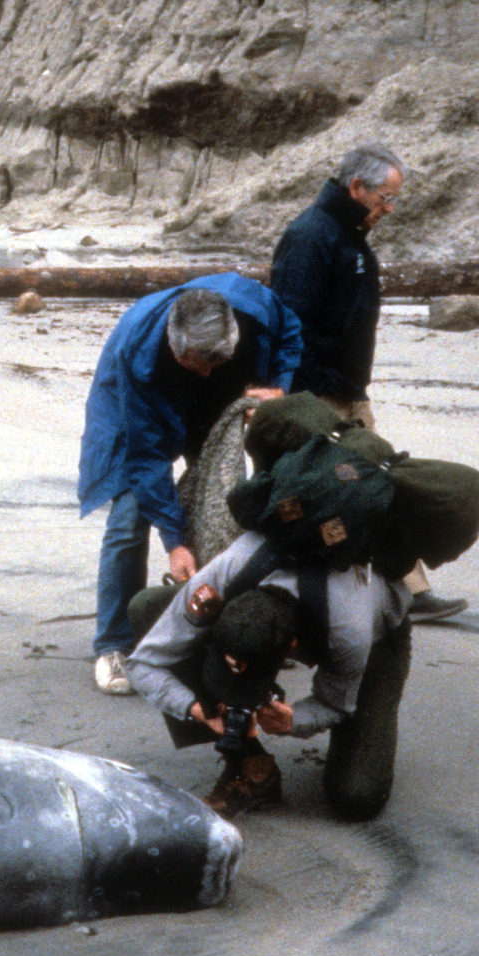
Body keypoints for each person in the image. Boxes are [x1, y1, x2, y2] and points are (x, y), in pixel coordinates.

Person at [271, 141, 469, 623]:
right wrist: (306, 398)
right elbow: (291, 323)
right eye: (384, 197)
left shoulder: (349, 236)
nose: (389, 208)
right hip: (318, 395)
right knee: (337, 493)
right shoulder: (311, 236)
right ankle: (289, 594)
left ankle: (409, 586)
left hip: (348, 391)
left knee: (381, 484)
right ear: (356, 187)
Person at [78, 273, 302, 695]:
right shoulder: (137, 349)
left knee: (227, 506)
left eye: (213, 362)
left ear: (233, 337)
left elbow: (290, 332)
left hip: (218, 407)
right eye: (194, 362)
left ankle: (225, 627)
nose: (203, 372)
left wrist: (277, 386)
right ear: (173, 341)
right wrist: (173, 542)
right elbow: (146, 457)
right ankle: (113, 644)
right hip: (137, 404)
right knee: (129, 520)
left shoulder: (254, 308)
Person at [124, 530, 413, 821]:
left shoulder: (350, 632)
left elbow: (336, 703)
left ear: (292, 649)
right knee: (148, 606)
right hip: (296, 609)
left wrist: (293, 720)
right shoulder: (226, 576)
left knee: (357, 798)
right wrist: (194, 707)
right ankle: (251, 764)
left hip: (378, 640)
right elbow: (142, 664)